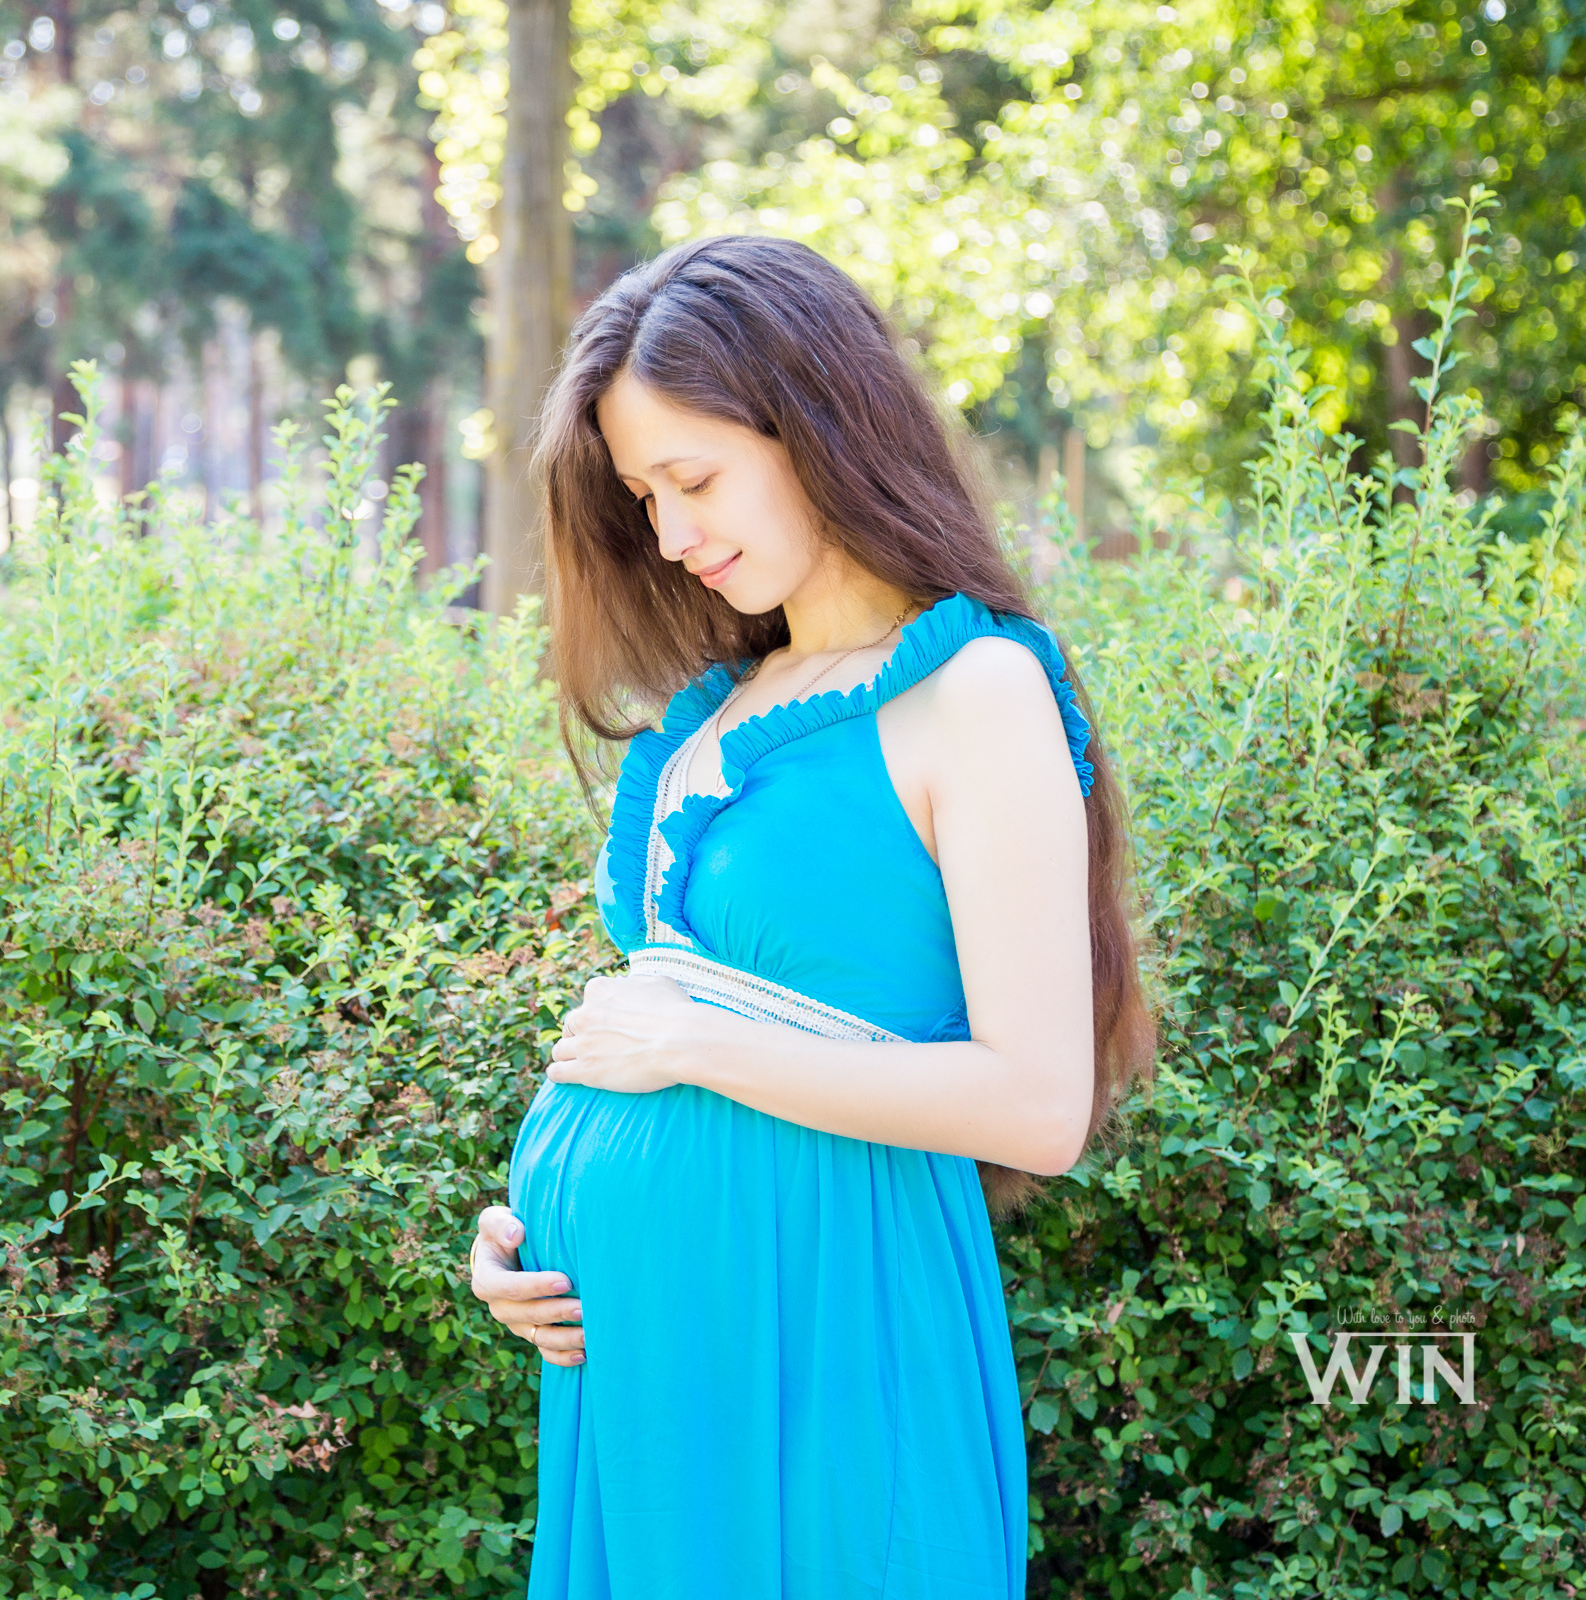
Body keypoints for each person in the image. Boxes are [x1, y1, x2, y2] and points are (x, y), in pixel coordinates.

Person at [465, 234, 1156, 1598]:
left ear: (815, 423)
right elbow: (664, 1024)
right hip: (645, 1366)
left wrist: (691, 1055)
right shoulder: (718, 709)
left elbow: (1037, 1107)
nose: (669, 534)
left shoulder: (976, 693)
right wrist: (529, 1245)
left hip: (833, 1332)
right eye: (643, 496)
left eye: (695, 479)